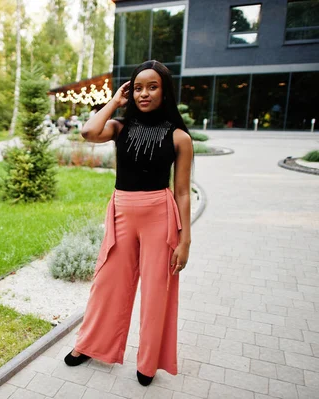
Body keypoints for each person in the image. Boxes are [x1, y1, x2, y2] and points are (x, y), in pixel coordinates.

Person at [64, 60, 193, 387]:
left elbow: (182, 191)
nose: (144, 93)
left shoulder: (179, 137)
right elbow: (88, 131)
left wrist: (185, 240)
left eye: (152, 86)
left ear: (164, 91)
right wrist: (114, 102)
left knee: (156, 293)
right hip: (122, 211)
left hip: (159, 216)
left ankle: (149, 362)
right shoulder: (120, 127)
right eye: (137, 87)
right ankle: (90, 344)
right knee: (107, 284)